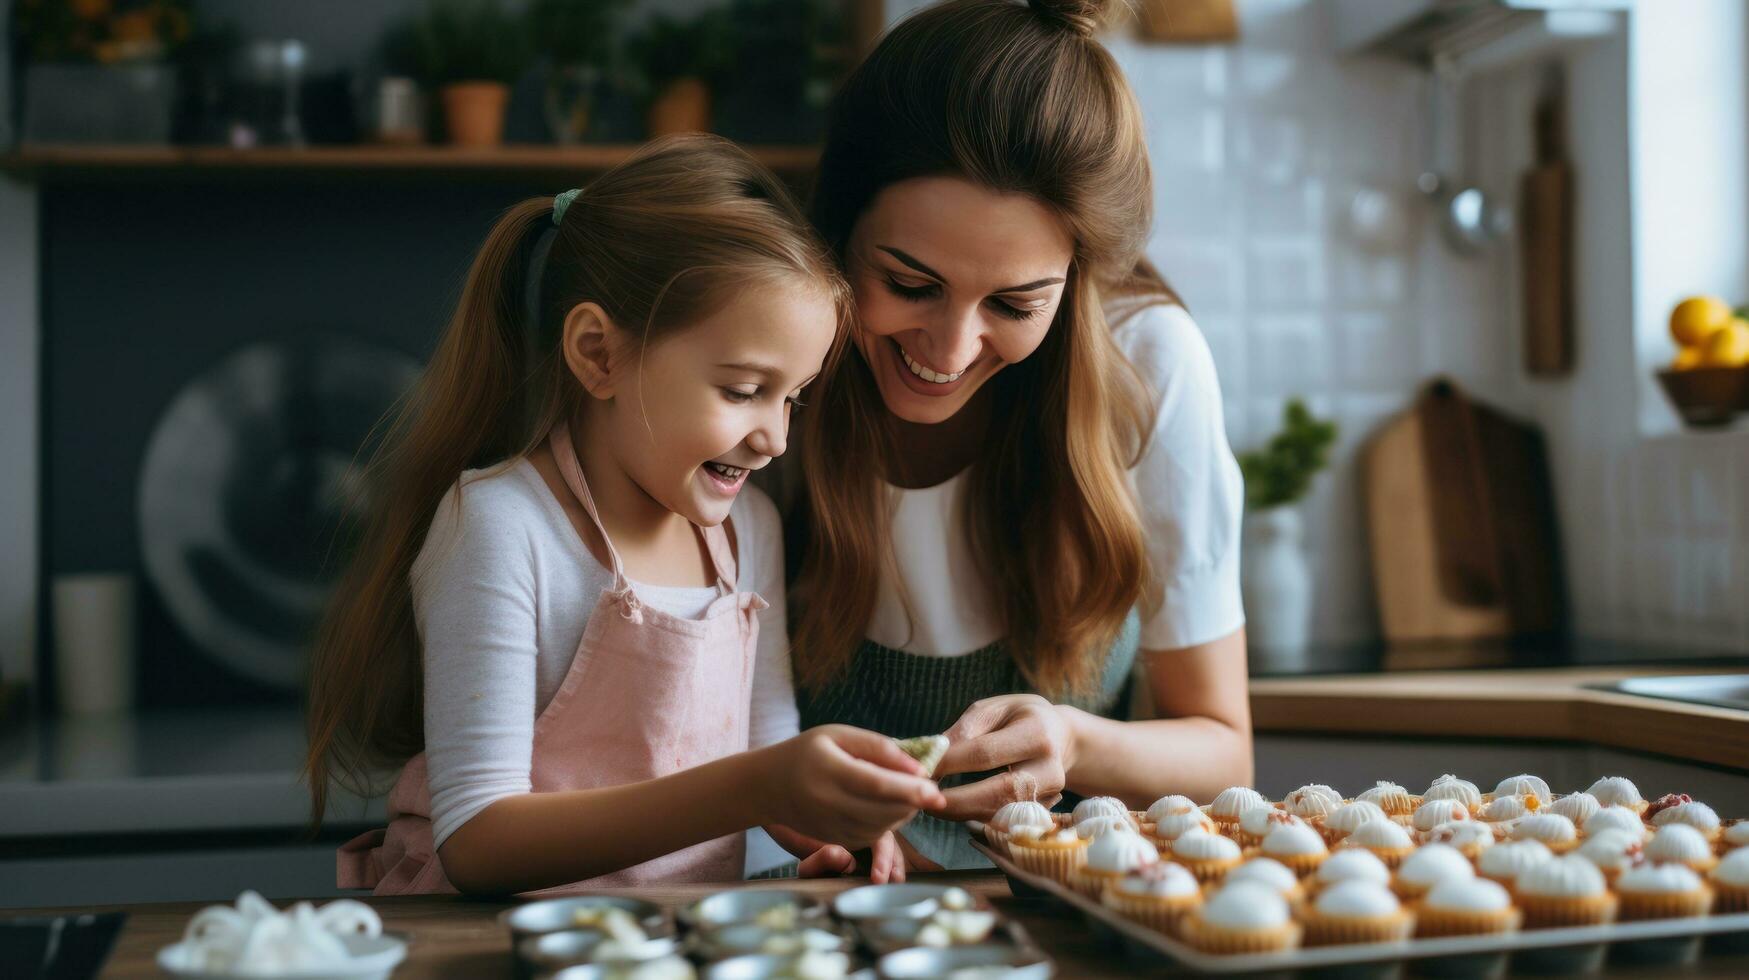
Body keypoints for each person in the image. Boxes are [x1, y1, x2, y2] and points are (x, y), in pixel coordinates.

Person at [305, 136, 941, 895]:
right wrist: (758, 787)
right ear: (598, 354)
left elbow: (765, 748)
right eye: (742, 391)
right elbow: (476, 842)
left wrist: (822, 819)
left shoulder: (749, 532)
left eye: (793, 398)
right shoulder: (502, 525)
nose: (774, 438)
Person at [789, 0, 1253, 870]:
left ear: (1076, 279)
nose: (950, 349)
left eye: (1013, 304)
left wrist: (1073, 742)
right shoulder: (767, 367)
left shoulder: (1146, 369)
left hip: (1057, 907)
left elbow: (1224, 748)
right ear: (838, 231)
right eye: (908, 282)